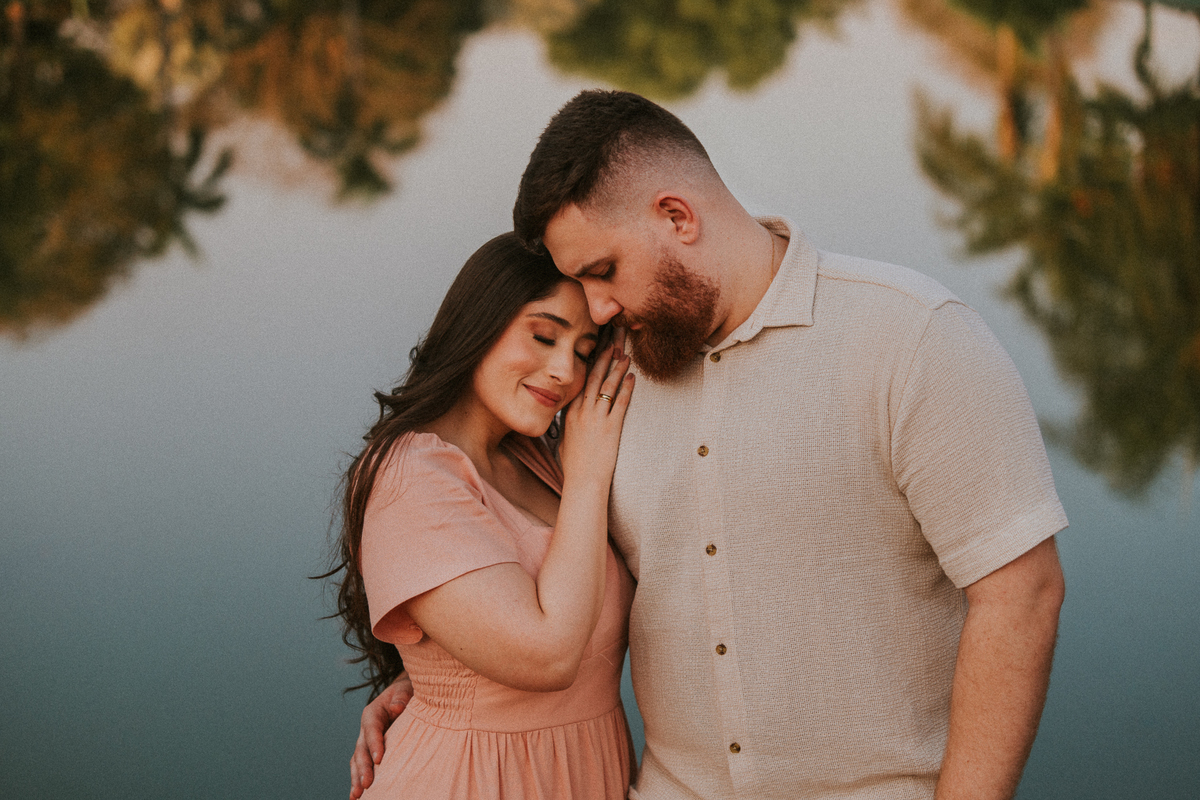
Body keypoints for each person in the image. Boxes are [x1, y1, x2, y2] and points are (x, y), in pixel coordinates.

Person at [352, 91, 1068, 800]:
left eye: (602, 272)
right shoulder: (607, 381)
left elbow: (1022, 593)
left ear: (676, 216)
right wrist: (432, 685)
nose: (596, 313)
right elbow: (502, 548)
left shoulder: (910, 338)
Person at [331, 232, 638, 799]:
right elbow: (548, 656)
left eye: (583, 352)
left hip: (582, 773)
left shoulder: (537, 459)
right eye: (544, 336)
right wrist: (591, 475)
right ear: (479, 323)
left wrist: (430, 677)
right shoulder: (410, 474)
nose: (564, 372)